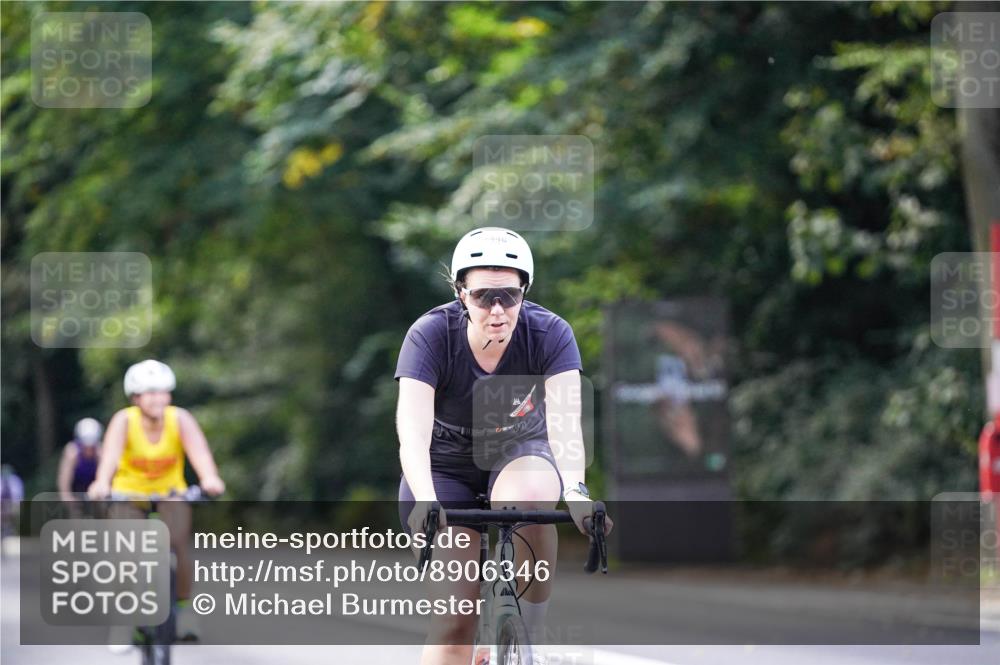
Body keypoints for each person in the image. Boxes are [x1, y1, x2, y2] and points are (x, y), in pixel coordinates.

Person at [396, 227, 613, 665]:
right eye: (482, 297)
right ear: (460, 293)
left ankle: (528, 638)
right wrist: (425, 499)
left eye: (509, 297)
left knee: (530, 498)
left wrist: (575, 492)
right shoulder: (431, 334)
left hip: (520, 453)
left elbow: (566, 424)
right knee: (454, 623)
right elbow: (412, 429)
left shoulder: (550, 332)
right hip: (444, 467)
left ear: (524, 292)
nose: (497, 310)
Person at [88, 359, 225, 646]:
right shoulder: (124, 421)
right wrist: (101, 483)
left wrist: (210, 478)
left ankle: (185, 611)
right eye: (149, 392)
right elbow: (110, 458)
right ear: (136, 398)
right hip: (129, 495)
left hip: (170, 493)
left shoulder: (180, 419)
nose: (157, 398)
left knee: (180, 547)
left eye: (162, 391)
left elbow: (199, 453)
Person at [57, 418, 103, 511]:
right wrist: (66, 496)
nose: (89, 448)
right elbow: (64, 478)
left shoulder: (100, 452)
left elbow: (104, 477)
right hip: (76, 490)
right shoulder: (72, 452)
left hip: (93, 489)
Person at [0, 464, 25, 558]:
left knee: (14, 513)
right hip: (1, 506)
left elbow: (18, 497)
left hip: (12, 505)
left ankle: (11, 535)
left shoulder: (15, 481)